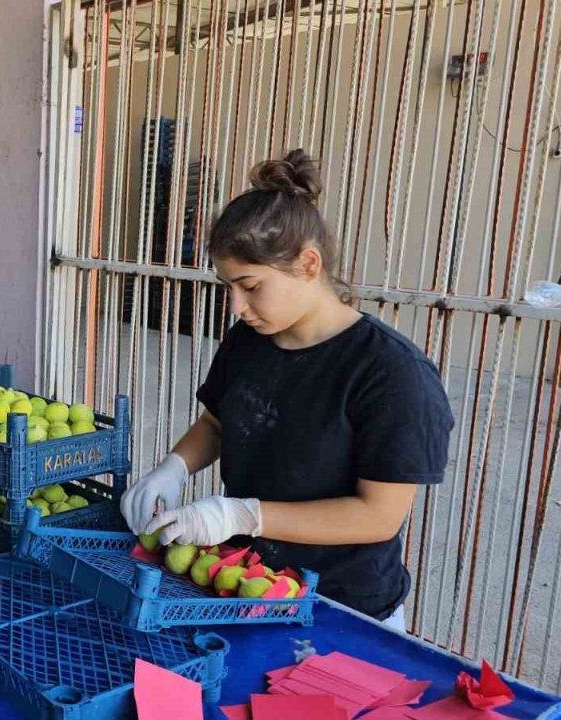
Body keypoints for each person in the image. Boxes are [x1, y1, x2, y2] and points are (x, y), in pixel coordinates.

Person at [121, 150, 453, 631]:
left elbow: (377, 517)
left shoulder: (391, 373)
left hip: (344, 608)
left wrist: (245, 514)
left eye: (250, 285)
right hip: (252, 584)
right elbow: (218, 422)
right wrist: (174, 467)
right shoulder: (248, 341)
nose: (236, 305)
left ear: (308, 263)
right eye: (228, 287)